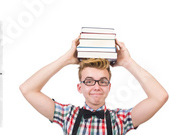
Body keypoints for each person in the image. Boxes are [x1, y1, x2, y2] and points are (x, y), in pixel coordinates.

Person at [19, 36, 169, 135]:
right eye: (89, 81)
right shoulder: (67, 115)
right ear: (80, 87)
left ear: (109, 87)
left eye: (102, 81)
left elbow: (159, 97)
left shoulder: (120, 119)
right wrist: (66, 59)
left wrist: (128, 62)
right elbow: (28, 89)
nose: (96, 87)